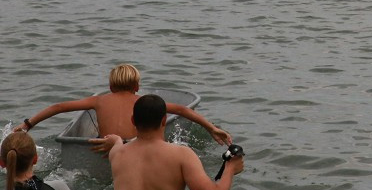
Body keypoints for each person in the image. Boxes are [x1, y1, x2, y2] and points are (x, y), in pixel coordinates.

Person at [96, 95, 243, 190]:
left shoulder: (116, 153)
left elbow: (118, 145)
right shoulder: (182, 154)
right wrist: (230, 168)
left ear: (133, 120)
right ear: (164, 120)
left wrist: (115, 140)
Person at [16, 64, 231, 145]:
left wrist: (28, 124)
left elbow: (59, 107)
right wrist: (212, 128)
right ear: (137, 86)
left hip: (102, 147)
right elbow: (184, 110)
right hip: (134, 148)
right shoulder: (144, 103)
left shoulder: (98, 100)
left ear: (110, 86)